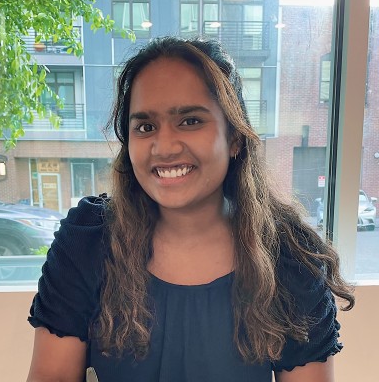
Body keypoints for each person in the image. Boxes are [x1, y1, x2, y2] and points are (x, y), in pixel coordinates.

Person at [26, 36, 354, 382]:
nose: (164, 147)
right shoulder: (88, 242)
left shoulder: (290, 258)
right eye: (146, 127)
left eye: (190, 121)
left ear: (235, 137)